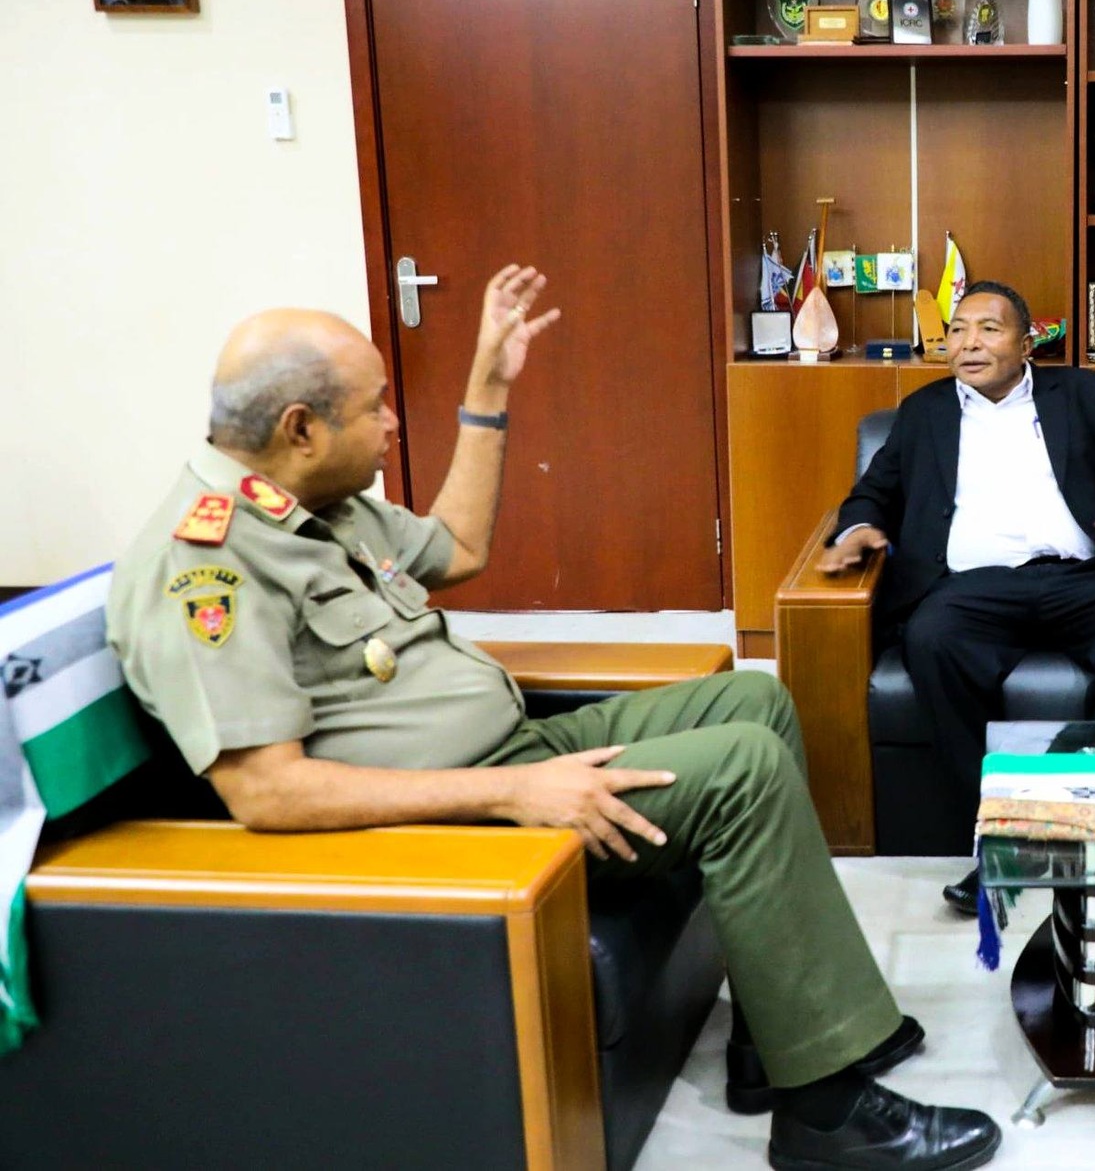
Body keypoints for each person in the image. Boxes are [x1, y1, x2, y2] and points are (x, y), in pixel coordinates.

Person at [107, 271, 999, 1171]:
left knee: (754, 700)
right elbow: (266, 791)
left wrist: (488, 389)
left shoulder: (317, 507)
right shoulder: (207, 562)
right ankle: (825, 1112)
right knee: (744, 768)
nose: (393, 424)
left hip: (509, 754)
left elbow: (457, 548)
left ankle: (777, 1036)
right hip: (442, 823)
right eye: (376, 408)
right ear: (301, 427)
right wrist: (511, 791)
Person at [820, 281, 1095, 916]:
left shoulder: (1084, 393)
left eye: (988, 329)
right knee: (931, 639)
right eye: (958, 330)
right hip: (972, 587)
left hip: (1081, 576)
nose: (969, 343)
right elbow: (873, 492)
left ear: (1026, 344)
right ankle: (1004, 835)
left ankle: (1090, 829)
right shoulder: (923, 411)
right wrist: (857, 532)